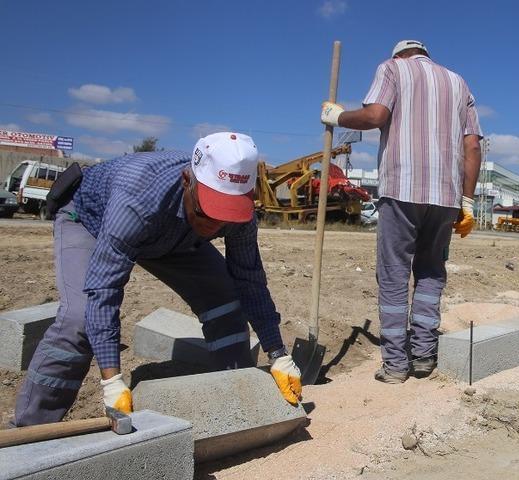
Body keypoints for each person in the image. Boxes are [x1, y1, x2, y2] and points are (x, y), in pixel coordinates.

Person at [14, 132, 302, 427]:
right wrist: (112, 382)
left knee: (228, 302)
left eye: (226, 215)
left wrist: (277, 353)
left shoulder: (237, 216)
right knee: (79, 319)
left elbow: (250, 281)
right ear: (187, 180)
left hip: (175, 234)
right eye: (210, 211)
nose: (215, 226)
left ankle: (238, 403)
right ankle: (31, 427)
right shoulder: (138, 193)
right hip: (91, 220)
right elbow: (104, 289)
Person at [320, 40, 482, 383]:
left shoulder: (391, 68)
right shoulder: (458, 81)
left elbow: (375, 115)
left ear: (400, 55)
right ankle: (423, 357)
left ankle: (395, 365)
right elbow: (472, 145)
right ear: (425, 54)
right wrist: (467, 201)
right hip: (446, 196)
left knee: (394, 275)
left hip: (402, 188)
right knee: (430, 272)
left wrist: (338, 115)